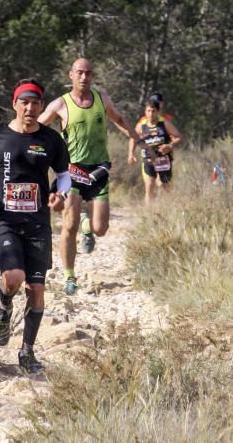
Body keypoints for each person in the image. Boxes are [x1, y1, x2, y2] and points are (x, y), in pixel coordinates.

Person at [0, 79, 71, 374]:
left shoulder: (51, 140)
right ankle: (3, 309)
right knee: (13, 278)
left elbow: (64, 174)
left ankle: (27, 352)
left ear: (41, 106)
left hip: (38, 223)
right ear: (14, 104)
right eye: (24, 102)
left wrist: (59, 193)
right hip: (5, 220)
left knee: (36, 289)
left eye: (35, 103)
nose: (30, 108)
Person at [38, 58, 145, 296]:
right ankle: (69, 276)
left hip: (99, 170)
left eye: (88, 73)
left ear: (92, 76)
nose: (84, 77)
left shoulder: (101, 100)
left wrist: (136, 139)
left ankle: (88, 225)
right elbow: (38, 126)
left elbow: (118, 119)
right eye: (79, 73)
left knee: (101, 228)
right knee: (69, 225)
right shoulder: (60, 105)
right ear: (71, 76)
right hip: (72, 170)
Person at [129, 98, 182, 206]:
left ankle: (170, 209)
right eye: (148, 111)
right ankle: (149, 215)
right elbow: (133, 138)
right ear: (145, 112)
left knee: (164, 185)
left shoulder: (164, 124)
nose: (151, 114)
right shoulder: (141, 126)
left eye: (153, 111)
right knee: (149, 186)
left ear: (158, 112)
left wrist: (170, 145)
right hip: (148, 159)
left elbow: (179, 137)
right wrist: (131, 154)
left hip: (163, 159)